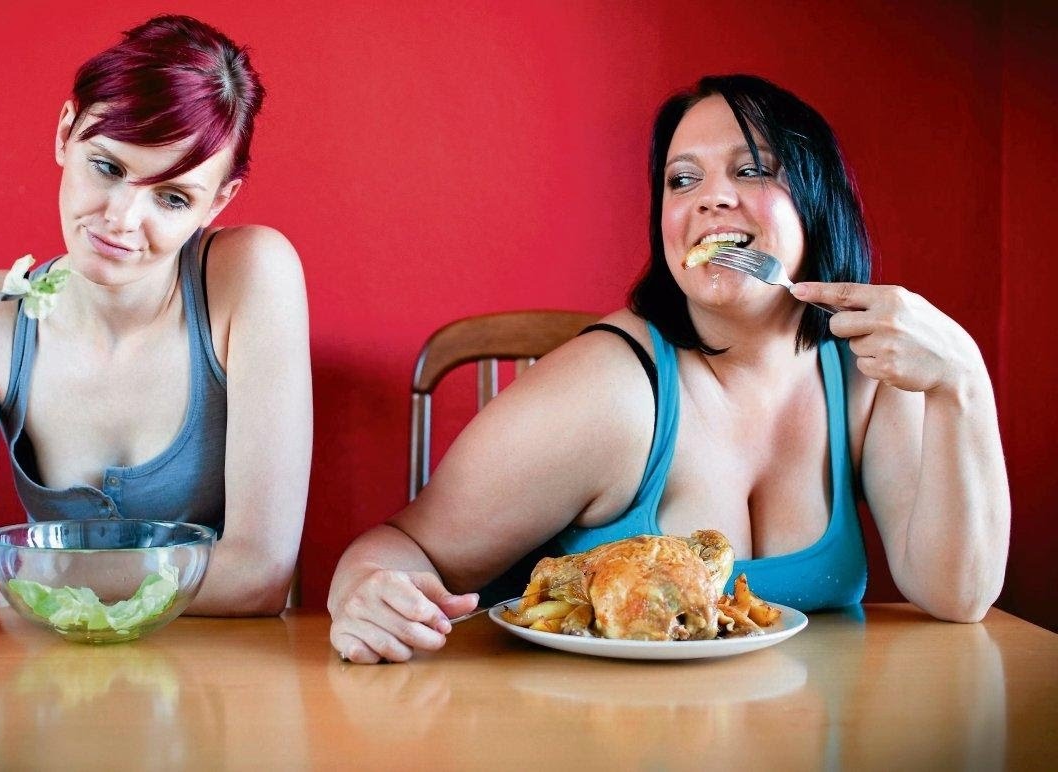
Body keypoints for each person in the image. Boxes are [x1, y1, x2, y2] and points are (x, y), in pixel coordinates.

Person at [328, 74, 1009, 663]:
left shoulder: (866, 375)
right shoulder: (611, 391)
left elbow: (958, 595)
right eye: (683, 180)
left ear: (817, 199)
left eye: (751, 170)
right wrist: (366, 595)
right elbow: (402, 548)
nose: (710, 197)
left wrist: (963, 382)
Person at [0, 15, 312, 633]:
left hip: (226, 674)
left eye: (172, 197)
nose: (122, 218)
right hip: (52, 677)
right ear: (65, 133)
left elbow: (259, 576)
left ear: (219, 202)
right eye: (107, 167)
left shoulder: (249, 274)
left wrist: (37, 576)